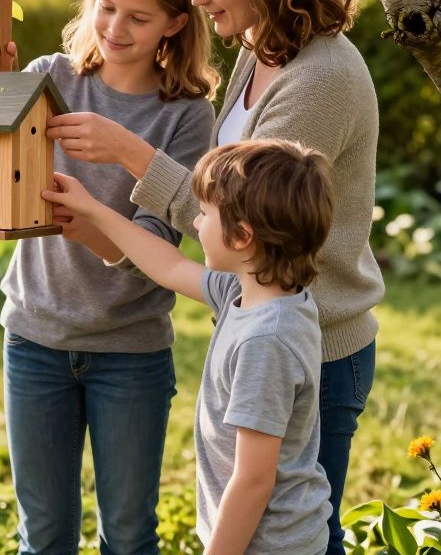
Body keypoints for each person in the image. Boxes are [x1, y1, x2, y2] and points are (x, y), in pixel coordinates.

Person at [44, 0, 382, 552]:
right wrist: (94, 213)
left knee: (299, 529)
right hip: (252, 314)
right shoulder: (264, 47)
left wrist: (132, 155)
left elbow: (242, 204)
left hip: (318, 345)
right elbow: (184, 251)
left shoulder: (320, 80)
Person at [0, 0, 218, 554]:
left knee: (128, 535)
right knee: (43, 536)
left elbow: (160, 241)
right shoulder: (51, 78)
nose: (115, 27)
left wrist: (90, 223)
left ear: (175, 24)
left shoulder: (185, 114)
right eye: (106, 5)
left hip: (130, 351)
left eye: (138, 16)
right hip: (36, 340)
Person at [43, 138, 335, 555]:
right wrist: (93, 210)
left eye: (203, 214)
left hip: (267, 545)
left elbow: (253, 480)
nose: (195, 225)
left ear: (242, 236)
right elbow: (171, 266)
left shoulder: (266, 340)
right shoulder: (250, 292)